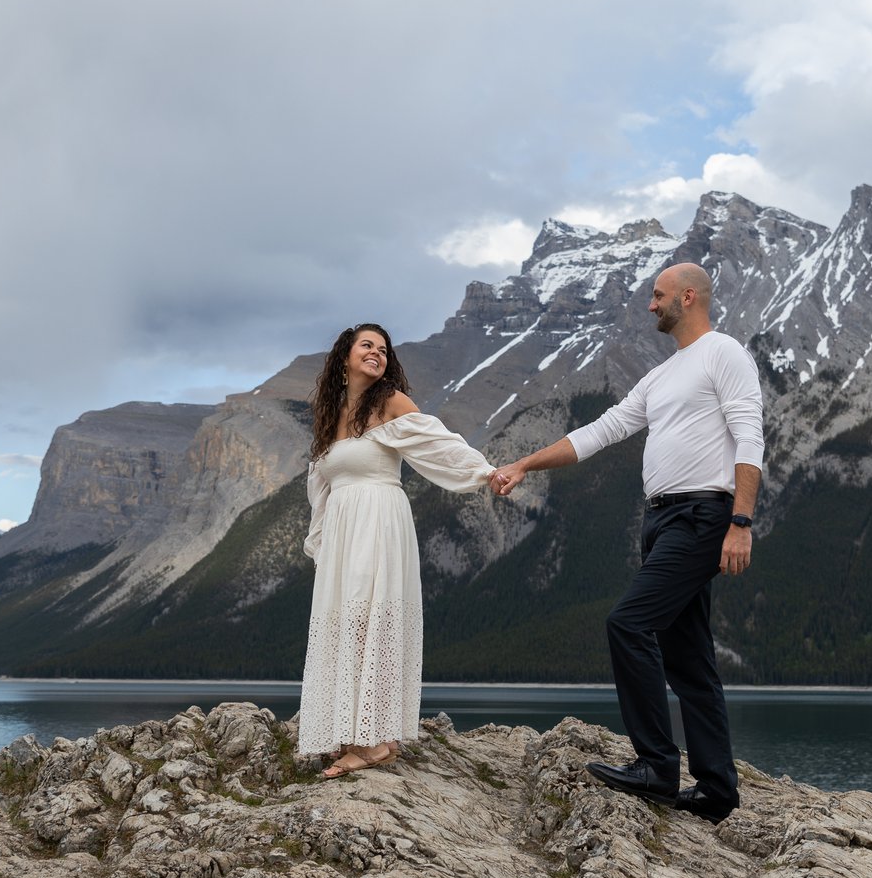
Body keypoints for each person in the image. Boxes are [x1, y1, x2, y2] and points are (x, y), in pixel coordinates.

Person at [492, 263, 763, 823]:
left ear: (688, 297)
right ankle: (717, 791)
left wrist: (741, 521)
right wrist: (524, 464)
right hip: (660, 520)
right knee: (690, 661)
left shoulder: (724, 353)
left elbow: (749, 436)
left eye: (658, 296)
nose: (650, 305)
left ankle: (657, 766)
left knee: (628, 624)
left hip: (703, 515)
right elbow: (603, 430)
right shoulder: (661, 375)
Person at [299, 323, 496, 778]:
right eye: (366, 345)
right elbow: (322, 485)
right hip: (344, 526)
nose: (376, 353)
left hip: (378, 517)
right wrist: (323, 539)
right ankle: (360, 734)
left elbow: (439, 444)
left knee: (371, 618)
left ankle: (372, 743)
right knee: (347, 620)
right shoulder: (330, 414)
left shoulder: (390, 401)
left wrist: (486, 473)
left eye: (383, 349)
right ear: (344, 357)